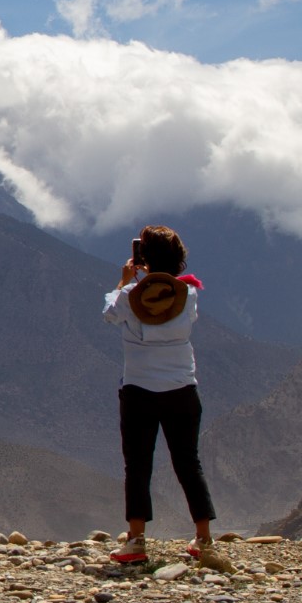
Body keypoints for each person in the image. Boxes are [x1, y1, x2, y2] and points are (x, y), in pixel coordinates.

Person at [103, 226, 229, 570]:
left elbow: (110, 314)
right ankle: (203, 539)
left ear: (144, 258)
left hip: (139, 390)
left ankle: (136, 540)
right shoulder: (188, 294)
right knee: (188, 462)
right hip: (182, 389)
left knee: (138, 465)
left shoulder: (129, 295)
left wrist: (125, 280)